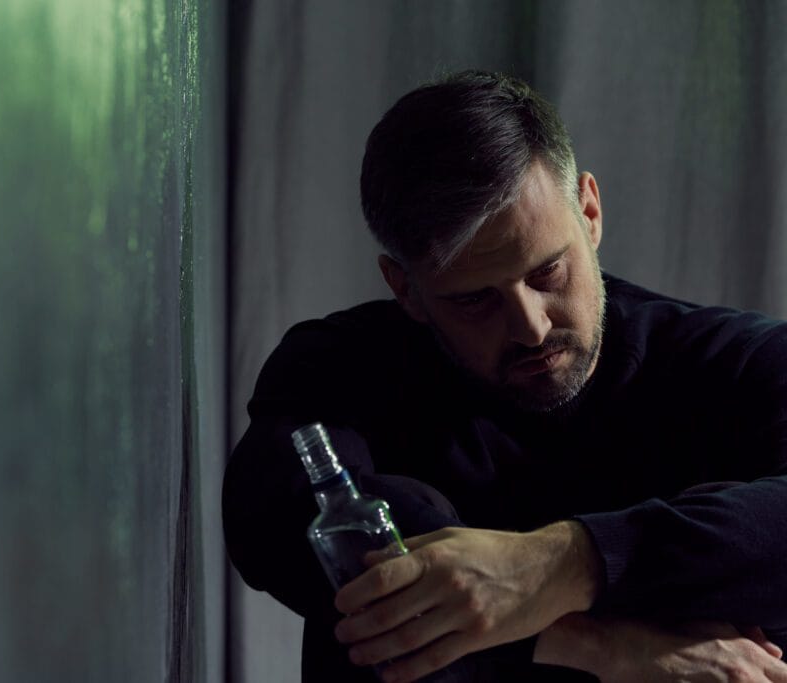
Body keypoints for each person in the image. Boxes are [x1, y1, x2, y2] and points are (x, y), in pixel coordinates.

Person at [222, 70, 787, 682]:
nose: (531, 327)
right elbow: (271, 521)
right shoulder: (338, 368)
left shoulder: (735, 361)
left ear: (590, 212)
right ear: (405, 288)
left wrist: (564, 563)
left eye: (547, 273)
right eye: (474, 301)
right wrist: (602, 646)